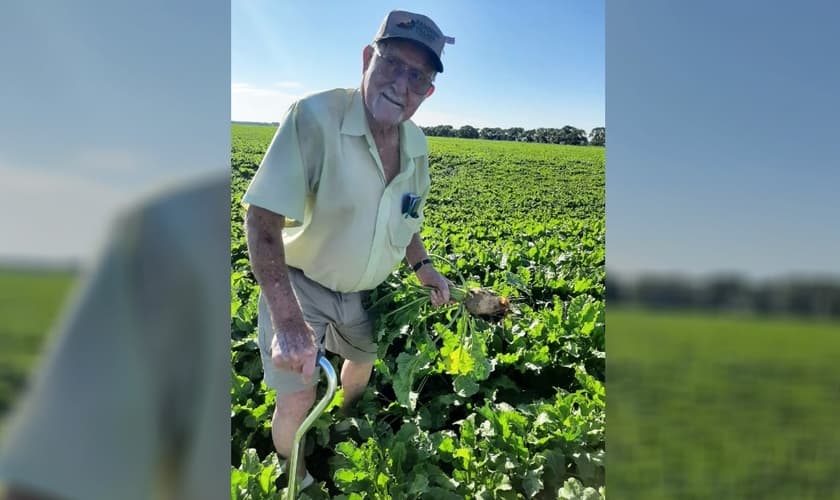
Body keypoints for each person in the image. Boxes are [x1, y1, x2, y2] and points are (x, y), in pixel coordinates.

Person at [241, 9, 455, 489]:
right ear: (366, 59)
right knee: (298, 396)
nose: (401, 84)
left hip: (362, 294)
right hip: (301, 289)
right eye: (392, 64)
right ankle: (295, 474)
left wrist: (424, 268)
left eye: (417, 76)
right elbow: (261, 219)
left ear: (428, 92)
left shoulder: (417, 145)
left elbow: (408, 215)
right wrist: (289, 322)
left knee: (360, 363)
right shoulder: (314, 117)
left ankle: (344, 424)